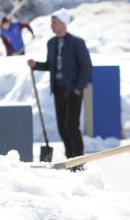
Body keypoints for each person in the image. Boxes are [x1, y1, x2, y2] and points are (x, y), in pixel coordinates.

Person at [27, 8, 93, 161]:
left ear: (64, 23)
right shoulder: (51, 43)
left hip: (73, 90)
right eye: (52, 23)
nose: (52, 25)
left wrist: (78, 88)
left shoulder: (76, 42)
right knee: (62, 127)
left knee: (71, 125)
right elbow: (50, 65)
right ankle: (69, 157)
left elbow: (86, 66)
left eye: (55, 22)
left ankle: (78, 158)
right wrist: (36, 65)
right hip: (58, 89)